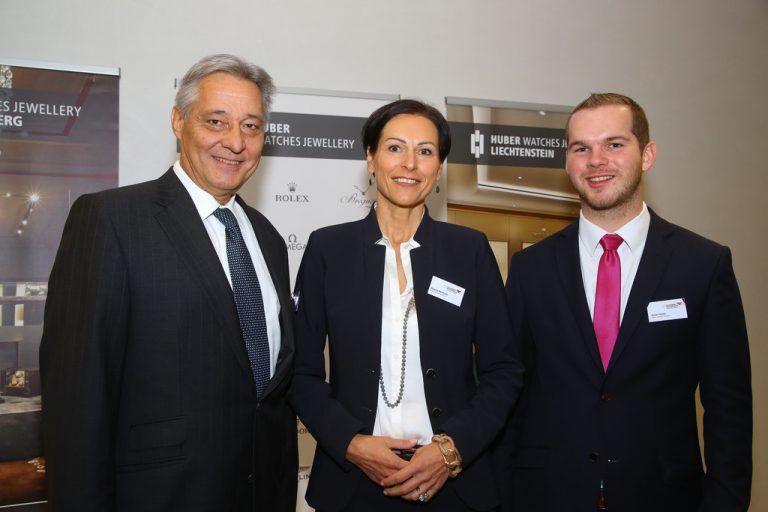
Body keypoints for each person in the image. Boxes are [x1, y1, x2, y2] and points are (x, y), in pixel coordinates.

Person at [39, 54, 298, 511]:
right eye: (216, 121)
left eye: (252, 127)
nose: (235, 142)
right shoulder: (110, 221)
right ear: (179, 122)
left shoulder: (268, 239)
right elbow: (77, 403)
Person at [496, 93, 752, 511]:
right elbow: (510, 393)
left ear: (647, 154)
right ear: (567, 163)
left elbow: (729, 409)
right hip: (547, 496)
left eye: (614, 144)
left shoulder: (703, 264)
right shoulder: (530, 269)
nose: (596, 160)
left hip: (664, 496)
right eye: (581, 148)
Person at [290, 99, 524, 511]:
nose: (410, 164)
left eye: (426, 151)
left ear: (439, 169)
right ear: (370, 158)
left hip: (454, 481)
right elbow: (300, 372)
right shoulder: (329, 249)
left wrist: (451, 449)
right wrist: (352, 443)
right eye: (395, 148)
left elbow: (503, 371)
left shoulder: (468, 250)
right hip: (354, 483)